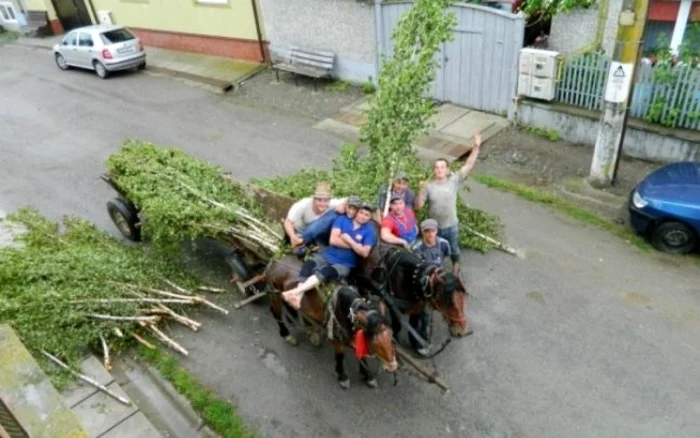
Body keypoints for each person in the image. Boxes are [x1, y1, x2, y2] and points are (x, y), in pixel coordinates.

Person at [282, 202, 376, 310]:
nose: (363, 216)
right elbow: (333, 241)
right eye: (361, 213)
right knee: (309, 263)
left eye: (367, 215)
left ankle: (295, 292)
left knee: (326, 272)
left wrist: (348, 238)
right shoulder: (342, 220)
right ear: (357, 213)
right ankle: (298, 297)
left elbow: (364, 253)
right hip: (328, 254)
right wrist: (357, 246)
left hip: (344, 264)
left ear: (370, 217)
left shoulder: (369, 230)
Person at [414, 131, 482, 275]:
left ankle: (456, 272)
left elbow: (469, 165)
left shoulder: (454, 180)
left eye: (442, 167)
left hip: (451, 225)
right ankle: (437, 274)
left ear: (447, 169)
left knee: (454, 250)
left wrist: (476, 147)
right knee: (435, 251)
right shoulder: (428, 185)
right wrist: (420, 190)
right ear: (434, 170)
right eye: (437, 167)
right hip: (434, 228)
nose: (439, 170)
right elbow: (418, 206)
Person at [408, 218, 453, 357]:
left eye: (433, 231)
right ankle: (418, 341)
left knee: (432, 313)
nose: (430, 234)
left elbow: (445, 258)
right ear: (422, 232)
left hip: (436, 282)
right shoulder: (416, 248)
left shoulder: (443, 244)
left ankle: (426, 334)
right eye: (427, 231)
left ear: (437, 231)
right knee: (422, 315)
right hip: (422, 285)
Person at [283, 182, 346, 249]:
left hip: (317, 232)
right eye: (319, 200)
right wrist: (292, 236)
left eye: (326, 201)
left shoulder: (331, 204)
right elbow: (288, 222)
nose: (322, 204)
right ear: (314, 199)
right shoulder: (303, 205)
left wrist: (343, 205)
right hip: (302, 233)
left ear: (329, 200)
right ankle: (306, 243)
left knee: (335, 213)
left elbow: (348, 200)